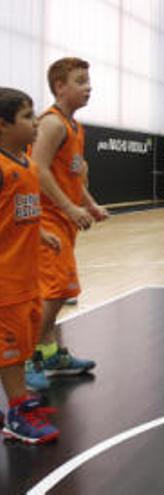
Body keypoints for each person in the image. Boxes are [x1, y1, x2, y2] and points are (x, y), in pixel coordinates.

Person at [26, 57, 107, 391]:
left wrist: (88, 204)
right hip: (46, 218)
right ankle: (28, 357)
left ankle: (51, 353)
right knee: (57, 290)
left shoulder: (76, 127)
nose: (88, 87)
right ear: (60, 87)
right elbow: (38, 168)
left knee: (58, 290)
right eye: (80, 81)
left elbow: (72, 175)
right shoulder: (53, 124)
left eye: (88, 80)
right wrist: (69, 207)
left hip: (63, 219)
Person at [0, 87, 62, 444]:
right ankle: (17, 412)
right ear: (3, 125)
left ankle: (19, 401)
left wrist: (41, 235)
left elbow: (16, 213)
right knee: (9, 350)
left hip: (26, 275)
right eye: (26, 116)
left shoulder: (25, 164)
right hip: (5, 280)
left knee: (22, 343)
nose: (36, 121)